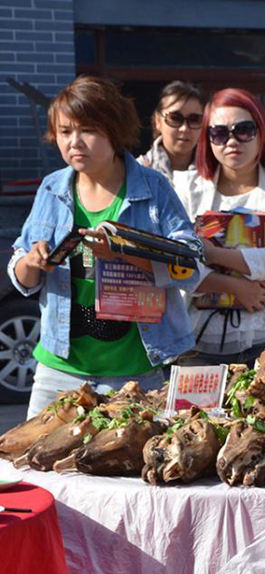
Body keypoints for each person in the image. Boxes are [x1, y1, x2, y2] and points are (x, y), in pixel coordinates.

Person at [8, 76, 202, 418]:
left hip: (135, 375)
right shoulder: (52, 188)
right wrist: (31, 263)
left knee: (130, 469)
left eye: (88, 130)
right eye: (65, 132)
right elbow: (21, 273)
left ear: (114, 130)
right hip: (58, 370)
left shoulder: (154, 188)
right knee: (36, 468)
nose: (74, 142)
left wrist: (124, 253)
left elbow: (188, 263)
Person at [178, 88, 265, 366]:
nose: (232, 141)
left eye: (244, 130)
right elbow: (177, 261)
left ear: (261, 133)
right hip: (199, 341)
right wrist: (233, 285)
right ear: (208, 139)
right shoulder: (187, 187)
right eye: (219, 133)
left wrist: (214, 254)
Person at [137, 81, 206, 190]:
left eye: (194, 120)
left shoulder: (217, 173)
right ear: (157, 121)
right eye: (175, 118)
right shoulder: (137, 171)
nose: (184, 128)